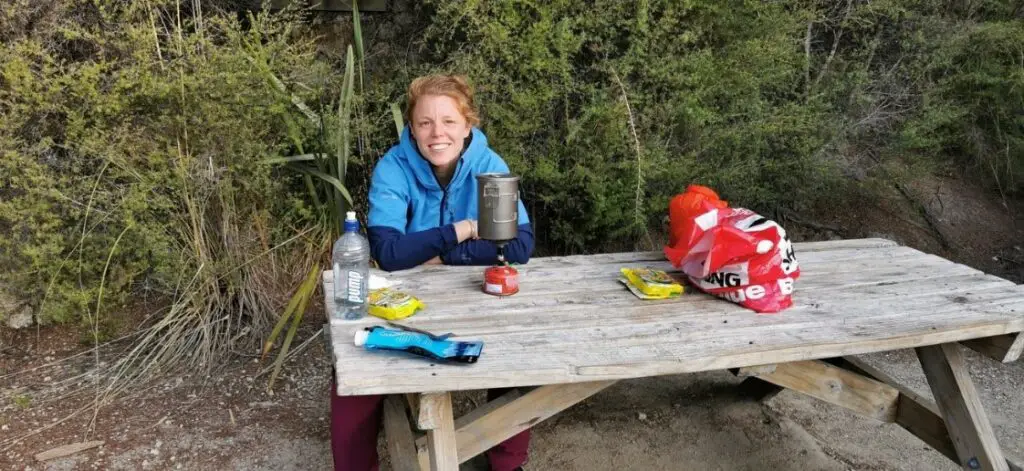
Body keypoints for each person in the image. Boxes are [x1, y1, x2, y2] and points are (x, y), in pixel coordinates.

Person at [330, 74, 534, 471]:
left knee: (514, 349)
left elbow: (520, 245)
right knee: (354, 366)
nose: (436, 133)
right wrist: (465, 229)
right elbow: (389, 252)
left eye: (449, 122)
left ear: (468, 125)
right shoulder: (394, 166)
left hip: (473, 290)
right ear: (411, 126)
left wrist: (441, 256)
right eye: (425, 122)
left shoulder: (490, 166)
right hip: (403, 295)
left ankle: (507, 464)